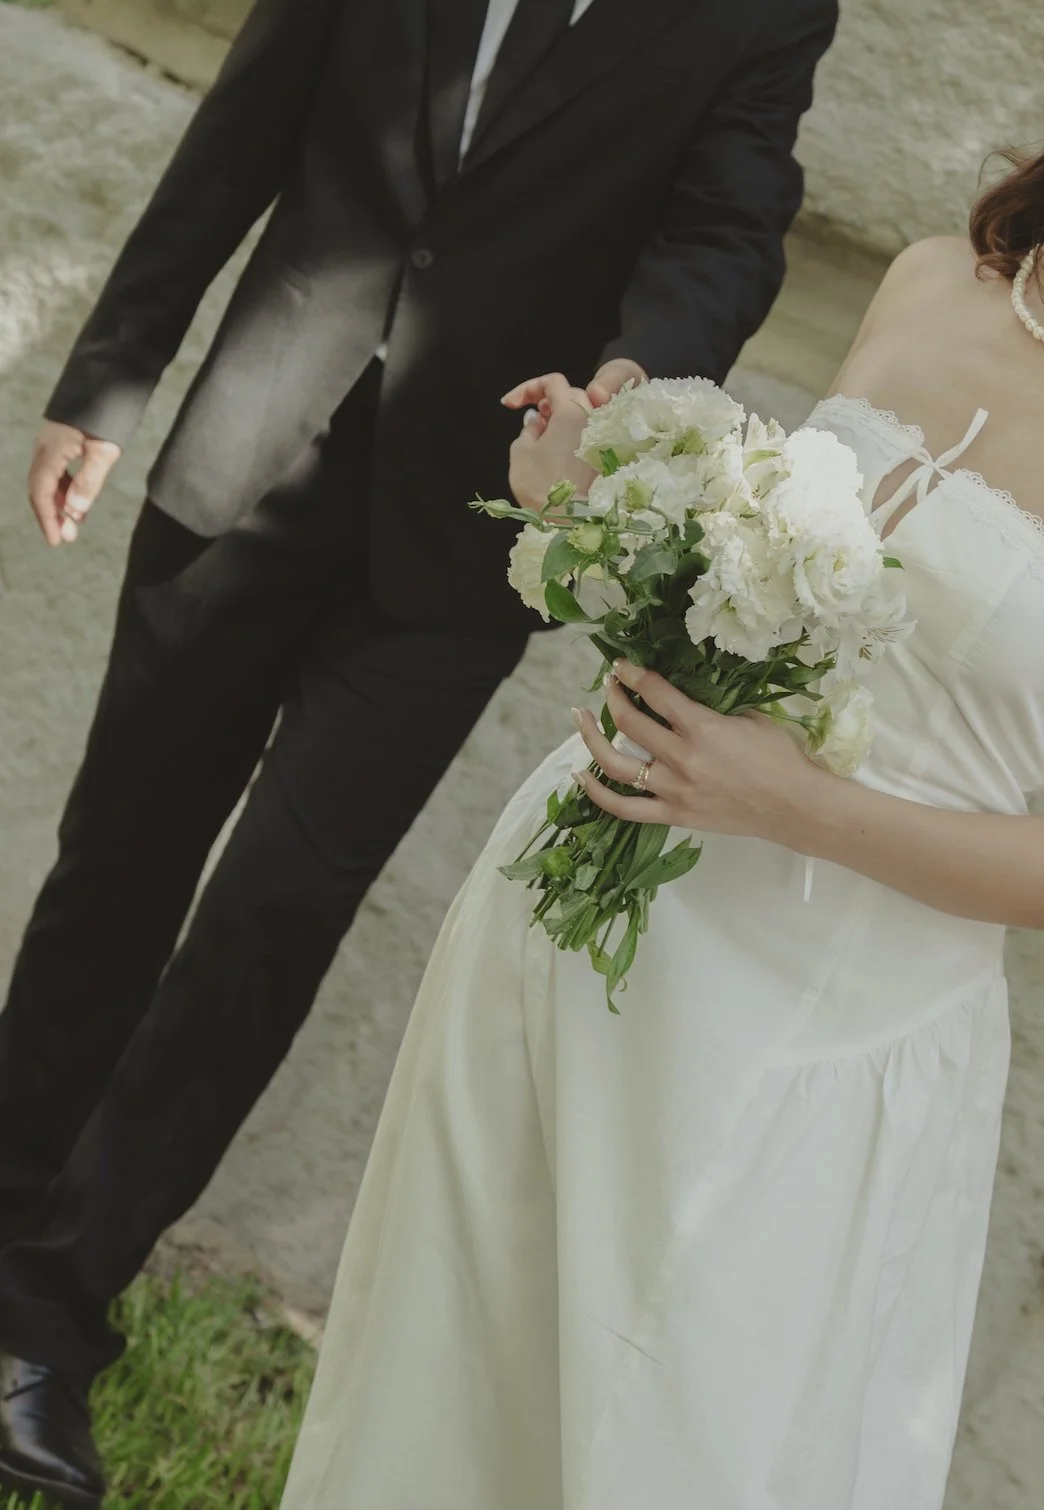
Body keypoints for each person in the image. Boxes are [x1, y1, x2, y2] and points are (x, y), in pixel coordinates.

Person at [0, 0, 839, 1504]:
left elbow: (731, 224)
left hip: (462, 549)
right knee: (114, 867)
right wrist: (110, 376)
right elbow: (243, 126)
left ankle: (47, 1326)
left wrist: (625, 391)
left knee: (271, 913)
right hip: (250, 443)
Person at [277, 150, 1044, 1510]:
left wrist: (799, 804)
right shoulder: (935, 276)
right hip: (592, 898)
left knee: (697, 1446)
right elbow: (769, 579)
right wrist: (603, 505)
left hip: (825, 1029)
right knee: (458, 1364)